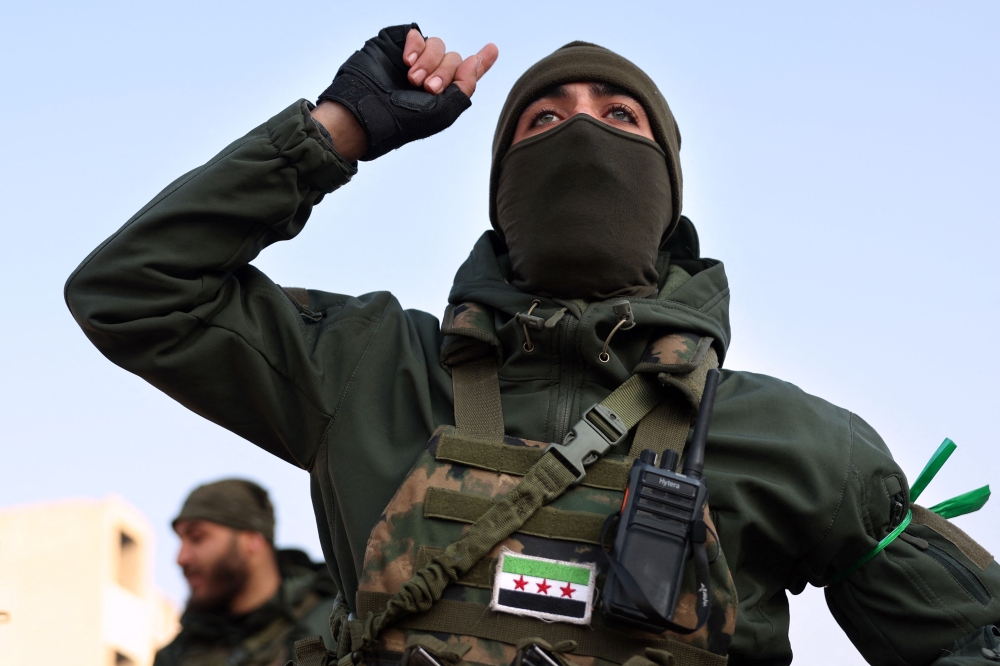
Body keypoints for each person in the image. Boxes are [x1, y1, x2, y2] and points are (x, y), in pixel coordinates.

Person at [66, 23, 999, 666]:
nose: (582, 130)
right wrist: (334, 134)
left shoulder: (797, 441)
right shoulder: (369, 371)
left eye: (619, 117)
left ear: (668, 196)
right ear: (500, 197)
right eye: (543, 122)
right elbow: (132, 292)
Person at [153, 478, 339, 666]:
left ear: (252, 539)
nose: (181, 558)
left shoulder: (336, 623)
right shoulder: (175, 656)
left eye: (197, 538)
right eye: (181, 540)